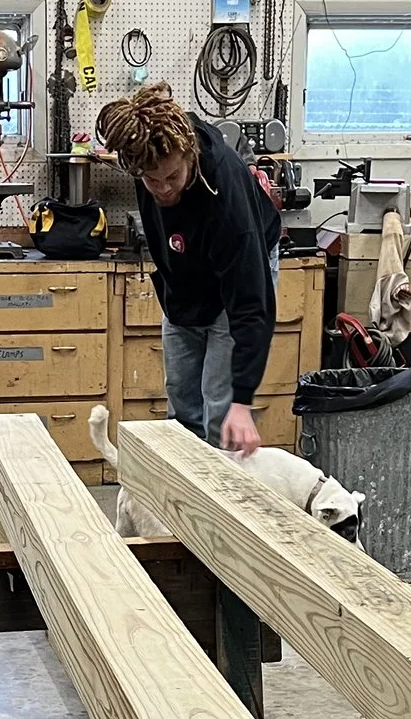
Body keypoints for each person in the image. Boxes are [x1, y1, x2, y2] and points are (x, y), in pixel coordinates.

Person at [95, 81, 282, 455]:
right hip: (187, 274)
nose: (163, 189)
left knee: (220, 412)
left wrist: (242, 400)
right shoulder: (146, 153)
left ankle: (223, 489)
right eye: (152, 180)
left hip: (236, 279)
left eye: (172, 177)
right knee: (181, 406)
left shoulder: (225, 195)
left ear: (190, 154)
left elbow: (251, 305)